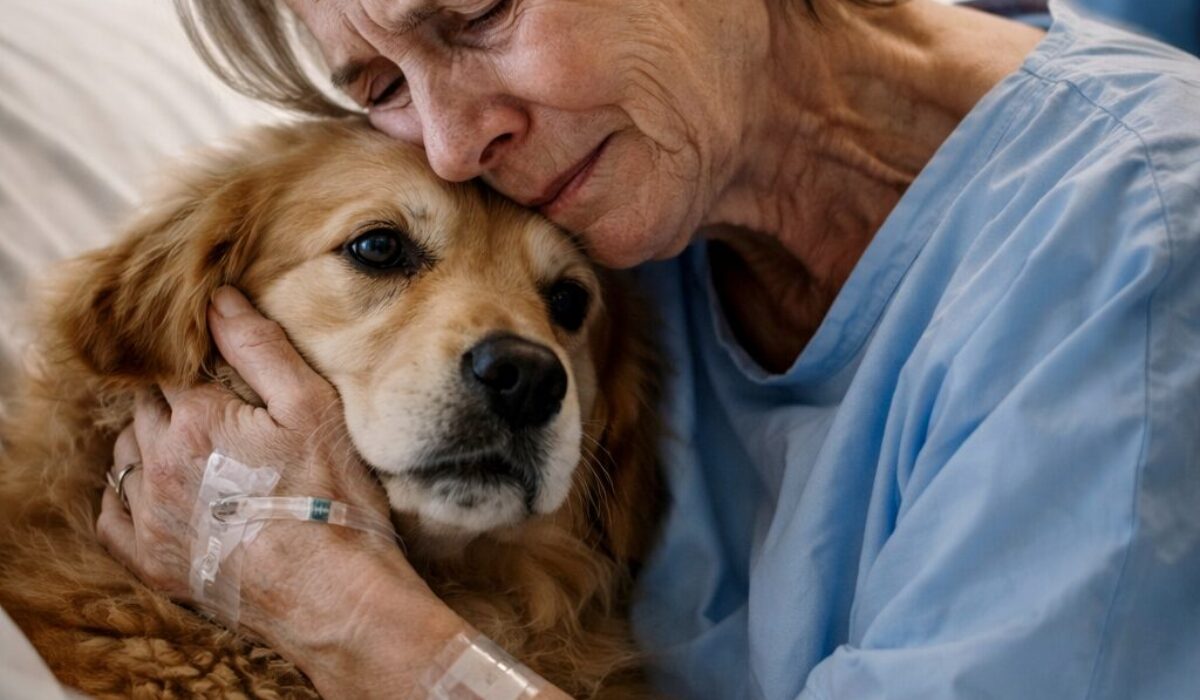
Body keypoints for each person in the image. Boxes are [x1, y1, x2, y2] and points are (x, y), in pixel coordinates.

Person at [96, 0, 1200, 696]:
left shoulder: (1139, 243)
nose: (452, 137)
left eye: (479, 16)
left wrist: (358, 625)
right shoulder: (632, 205)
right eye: (383, 86)